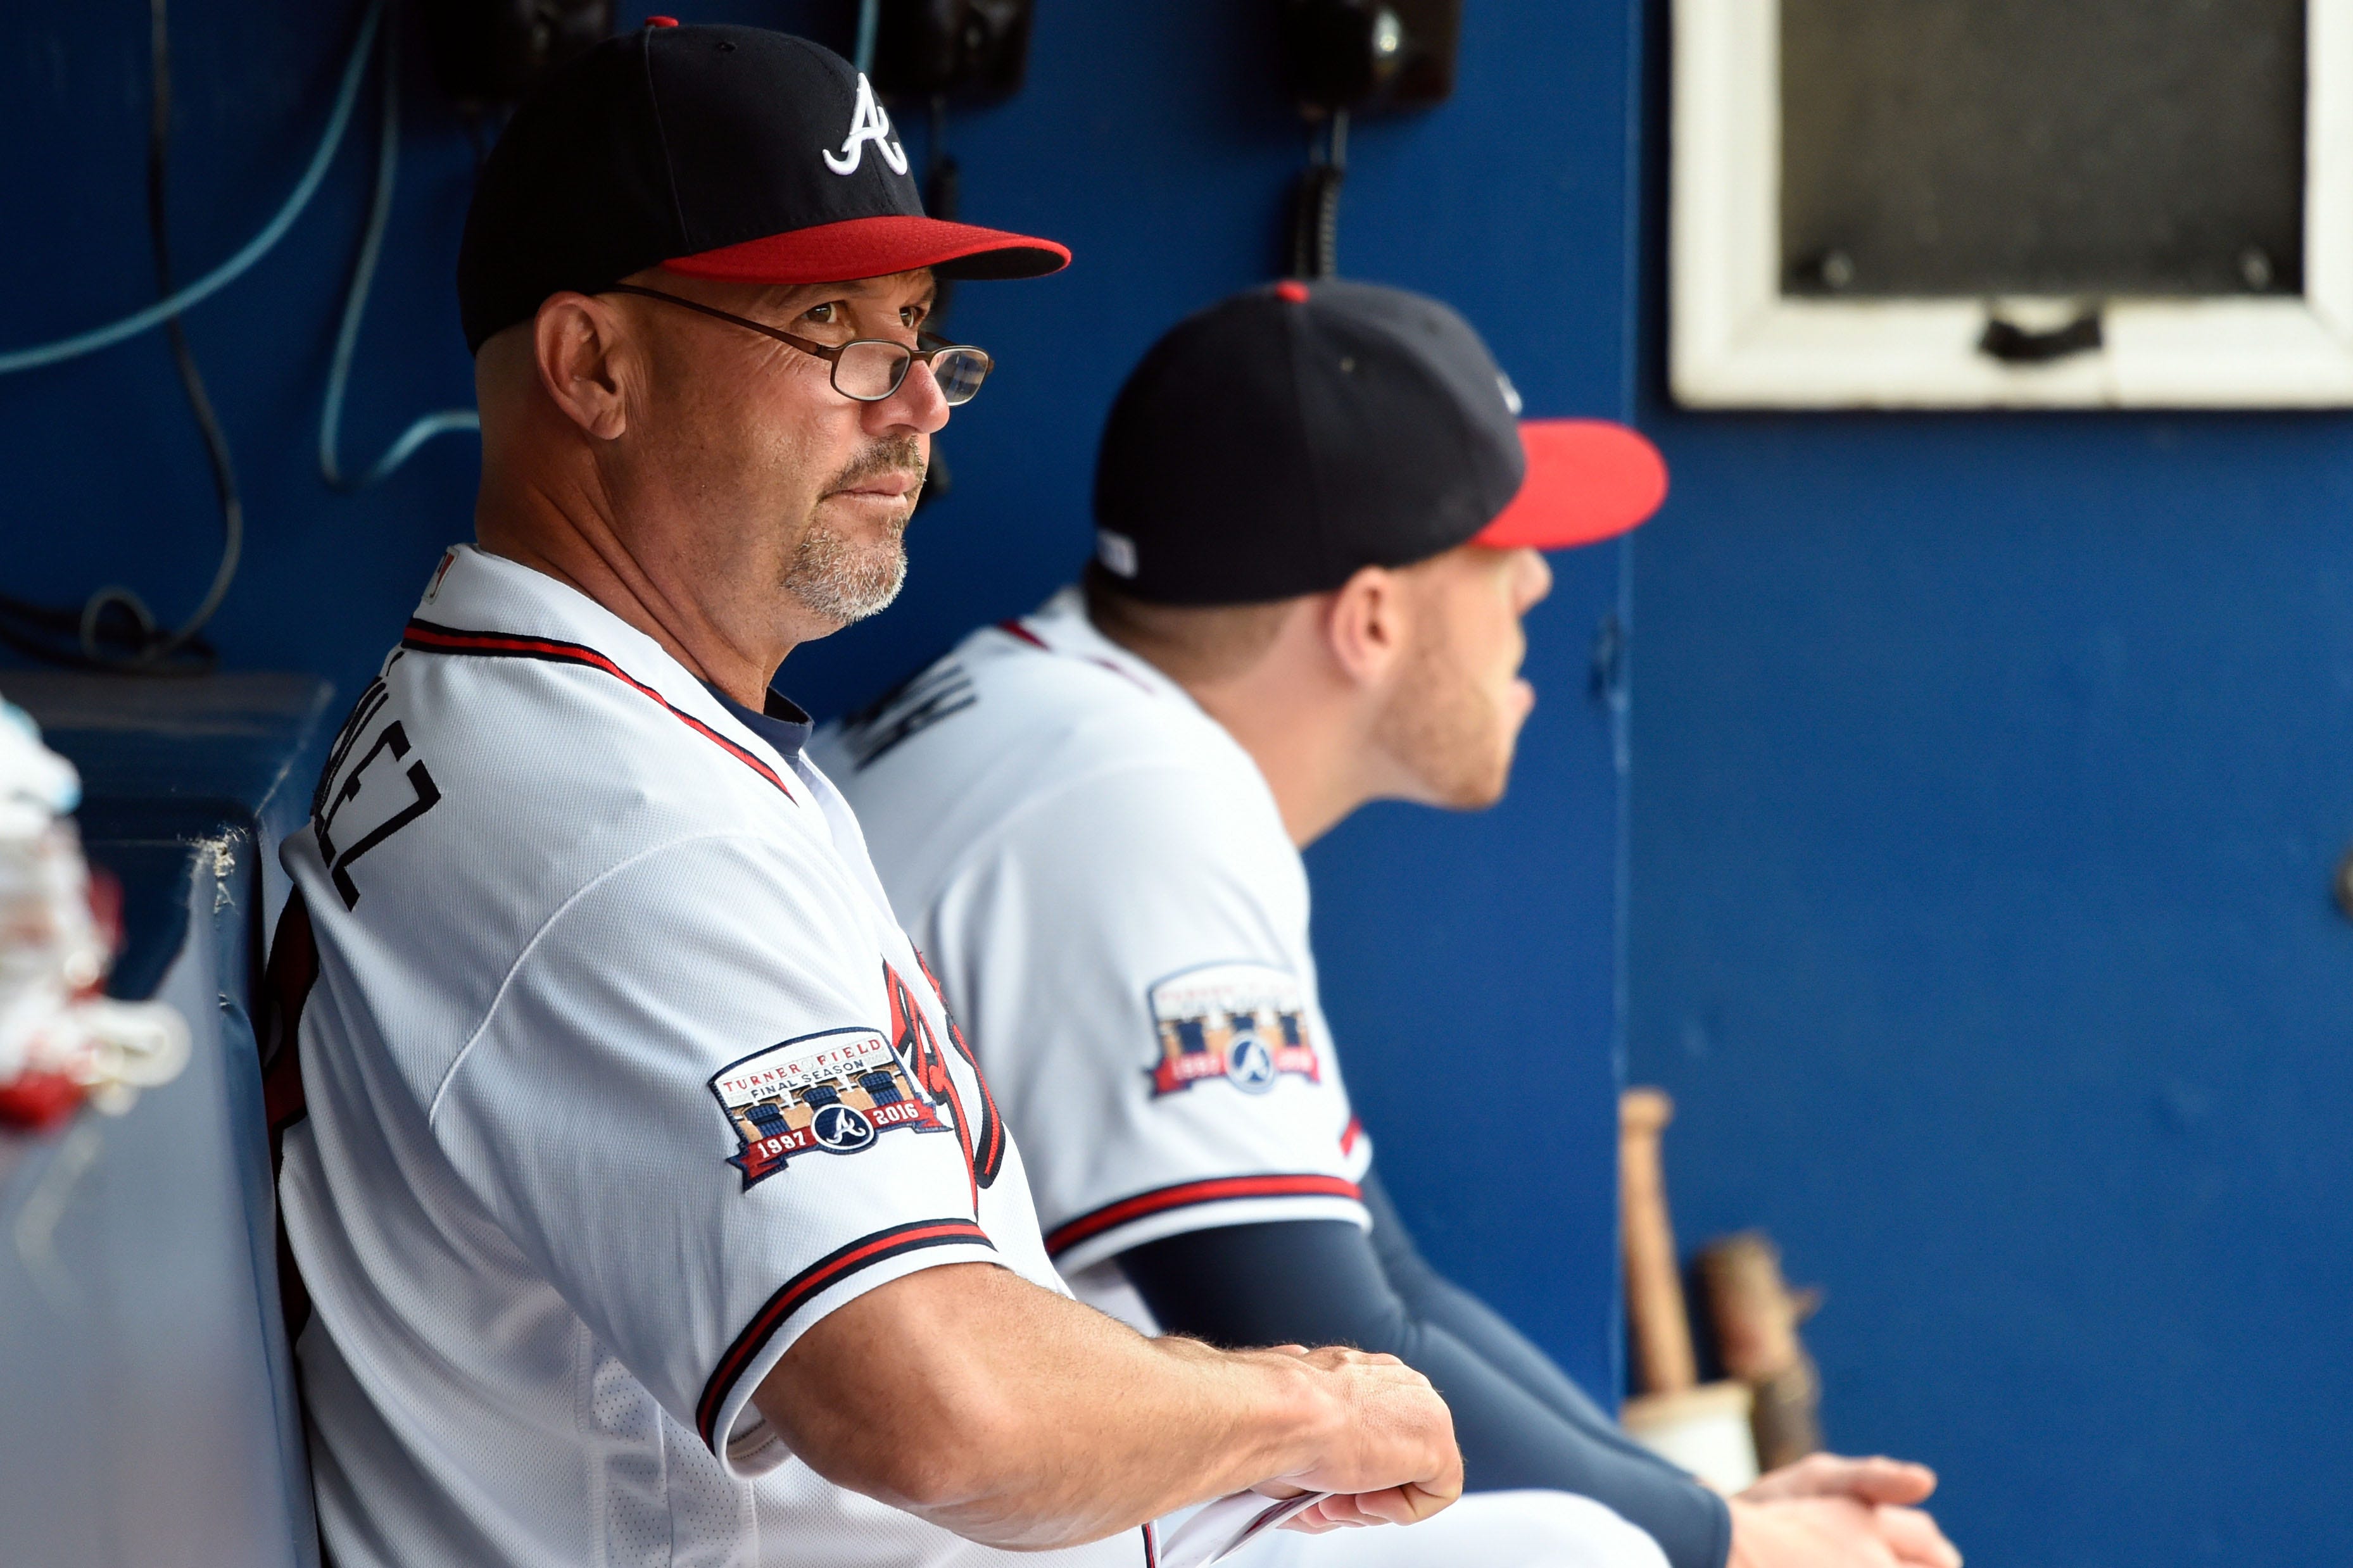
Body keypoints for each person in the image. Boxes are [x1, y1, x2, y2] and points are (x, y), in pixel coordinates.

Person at [263, 27, 1468, 1568]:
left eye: (918, 330)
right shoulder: (623, 831)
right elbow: (940, 1412)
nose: (914, 402)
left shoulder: (572, 709)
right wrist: (1295, 1410)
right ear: (593, 367)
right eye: (828, 325)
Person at [819, 280, 1966, 1568]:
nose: (1537, 580)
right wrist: (1728, 1548)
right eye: (1496, 550)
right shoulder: (1131, 796)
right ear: (1369, 620)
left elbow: (1385, 1290)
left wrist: (1716, 1519)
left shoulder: (1070, 716)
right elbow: (1323, 1345)